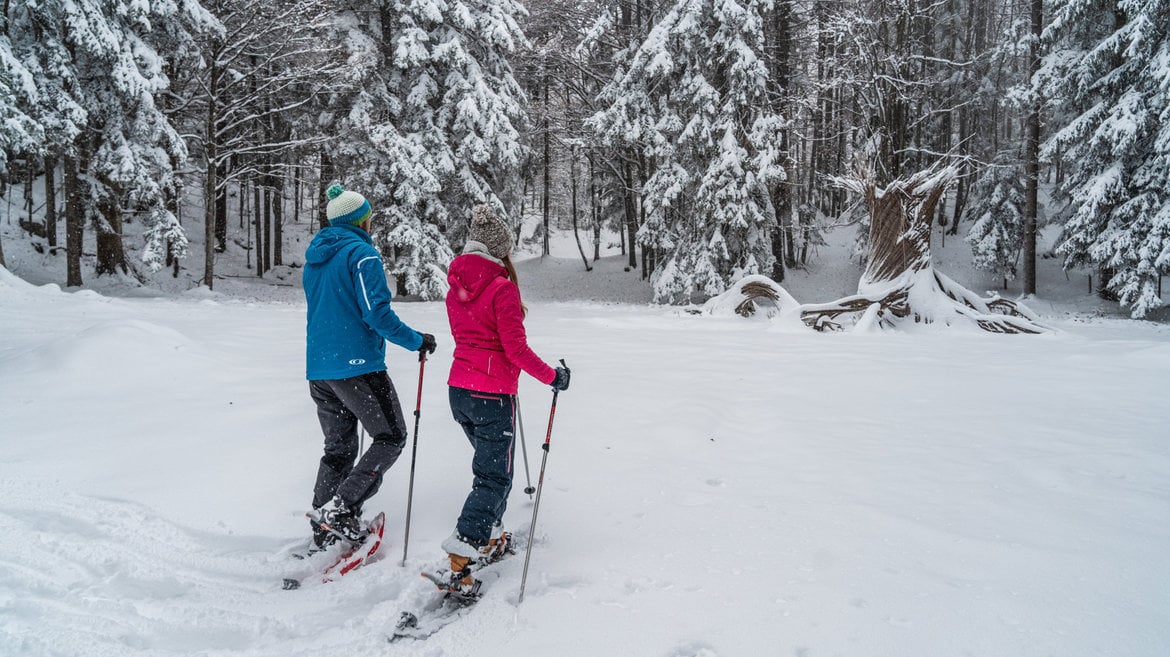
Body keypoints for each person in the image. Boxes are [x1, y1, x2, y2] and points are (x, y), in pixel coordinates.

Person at [437, 204, 570, 597]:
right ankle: (464, 549)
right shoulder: (501, 288)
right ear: (500, 250)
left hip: (459, 392)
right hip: (491, 396)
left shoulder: (456, 287)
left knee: (493, 471)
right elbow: (515, 349)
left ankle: (491, 535)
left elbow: (475, 341)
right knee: (494, 477)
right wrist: (553, 376)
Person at [302, 183, 437, 547]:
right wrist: (416, 340)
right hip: (358, 367)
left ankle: (323, 518)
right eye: (369, 217)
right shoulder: (362, 255)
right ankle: (341, 509)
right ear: (361, 220)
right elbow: (376, 313)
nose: (371, 222)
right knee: (391, 436)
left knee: (339, 448)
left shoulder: (316, 258)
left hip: (320, 370)